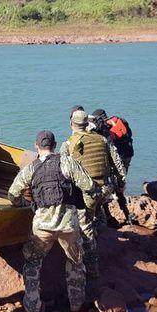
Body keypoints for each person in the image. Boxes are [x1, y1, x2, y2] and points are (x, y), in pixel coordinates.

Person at [8, 130, 97, 312]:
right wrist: (88, 210)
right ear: (55, 146)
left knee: (32, 264)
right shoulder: (67, 162)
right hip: (69, 225)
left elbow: (12, 194)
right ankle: (76, 307)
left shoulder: (30, 169)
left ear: (36, 146)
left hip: (42, 227)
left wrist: (24, 204)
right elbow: (89, 186)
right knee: (75, 262)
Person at [60, 110, 126, 278]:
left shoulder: (68, 144)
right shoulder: (103, 139)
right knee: (98, 213)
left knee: (85, 227)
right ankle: (104, 241)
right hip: (106, 190)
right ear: (87, 124)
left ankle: (93, 268)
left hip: (87, 192)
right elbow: (118, 163)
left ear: (71, 124)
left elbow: (63, 171)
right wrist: (120, 184)